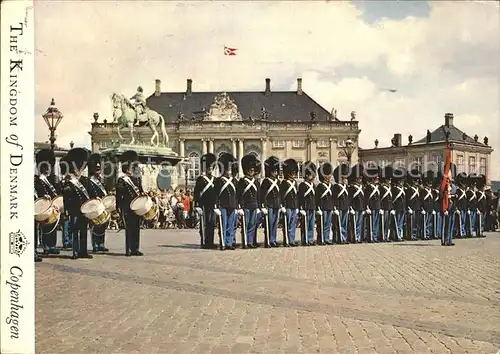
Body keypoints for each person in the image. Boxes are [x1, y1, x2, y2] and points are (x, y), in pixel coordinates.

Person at [62, 148, 93, 259]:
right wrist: (66, 210)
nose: (79, 170)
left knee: (84, 230)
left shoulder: (85, 180)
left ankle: (83, 251)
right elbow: (66, 197)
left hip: (85, 209)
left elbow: (91, 193)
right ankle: (75, 251)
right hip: (74, 209)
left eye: (81, 168)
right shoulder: (68, 181)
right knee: (75, 230)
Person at [116, 150, 144, 256]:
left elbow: (140, 190)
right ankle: (128, 249)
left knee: (136, 228)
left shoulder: (137, 179)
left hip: (136, 206)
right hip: (127, 206)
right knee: (129, 228)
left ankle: (135, 248)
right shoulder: (122, 180)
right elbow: (119, 195)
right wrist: (119, 207)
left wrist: (143, 194)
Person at [34, 149, 60, 256]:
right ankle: (46, 246)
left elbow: (56, 191)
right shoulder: (37, 179)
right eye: (45, 166)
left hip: (53, 205)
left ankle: (52, 246)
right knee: (45, 227)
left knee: (53, 226)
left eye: (48, 166)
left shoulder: (52, 179)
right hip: (44, 206)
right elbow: (38, 191)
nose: (47, 169)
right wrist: (43, 196)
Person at [86, 153, 109, 252]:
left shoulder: (102, 181)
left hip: (102, 205)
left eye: (99, 169)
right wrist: (95, 198)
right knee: (95, 225)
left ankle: (101, 244)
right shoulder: (89, 181)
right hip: (94, 205)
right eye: (97, 169)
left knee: (103, 224)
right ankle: (95, 245)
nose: (98, 170)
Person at [214, 152, 238, 250]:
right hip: (222, 205)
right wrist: (216, 206)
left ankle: (229, 242)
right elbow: (216, 194)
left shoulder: (234, 181)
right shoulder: (219, 180)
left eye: (230, 169)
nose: (229, 171)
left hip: (232, 205)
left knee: (231, 225)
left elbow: (236, 194)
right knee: (223, 224)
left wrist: (238, 205)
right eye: (227, 169)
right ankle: (223, 242)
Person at [237, 154, 261, 248]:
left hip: (254, 205)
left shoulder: (256, 182)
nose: (252, 171)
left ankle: (250, 242)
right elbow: (239, 195)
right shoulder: (242, 181)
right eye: (250, 170)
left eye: (253, 170)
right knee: (246, 225)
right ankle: (245, 242)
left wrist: (259, 206)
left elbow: (258, 195)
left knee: (252, 225)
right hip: (246, 205)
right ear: (246, 170)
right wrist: (240, 206)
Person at [194, 153, 217, 248]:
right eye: (208, 168)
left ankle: (210, 242)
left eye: (211, 168)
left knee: (212, 224)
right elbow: (196, 193)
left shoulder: (215, 180)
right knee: (204, 224)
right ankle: (204, 242)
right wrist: (197, 205)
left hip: (212, 204)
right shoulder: (201, 179)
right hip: (204, 204)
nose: (210, 170)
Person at [259, 156, 281, 247]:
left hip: (276, 204)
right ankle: (268, 240)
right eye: (273, 171)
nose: (275, 173)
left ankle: (273, 240)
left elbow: (280, 194)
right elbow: (262, 194)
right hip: (269, 205)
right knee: (269, 223)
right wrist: (263, 205)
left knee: (275, 224)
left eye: (276, 171)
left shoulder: (278, 181)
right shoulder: (265, 181)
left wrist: (281, 204)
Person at [280, 159, 299, 246]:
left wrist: (298, 206)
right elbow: (282, 195)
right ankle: (286, 240)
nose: (294, 174)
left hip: (294, 206)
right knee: (287, 224)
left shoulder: (295, 183)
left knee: (293, 224)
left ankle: (292, 240)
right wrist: (282, 205)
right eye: (292, 173)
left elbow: (296, 195)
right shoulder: (284, 183)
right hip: (287, 206)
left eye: (295, 173)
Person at [298, 161, 317, 246]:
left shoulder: (313, 185)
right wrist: (301, 208)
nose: (312, 176)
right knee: (305, 225)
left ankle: (310, 239)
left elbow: (315, 197)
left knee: (311, 225)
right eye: (311, 175)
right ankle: (304, 239)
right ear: (306, 175)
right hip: (305, 207)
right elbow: (300, 197)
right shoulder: (302, 185)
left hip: (312, 207)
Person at [316, 162, 334, 245]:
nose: (329, 177)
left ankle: (326, 238)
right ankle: (321, 238)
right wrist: (318, 207)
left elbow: (333, 197)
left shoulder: (331, 186)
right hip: (322, 207)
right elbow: (318, 198)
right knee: (321, 224)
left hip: (329, 206)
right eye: (327, 175)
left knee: (328, 224)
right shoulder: (320, 186)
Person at [333, 164, 350, 244]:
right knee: (338, 224)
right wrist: (335, 207)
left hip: (345, 207)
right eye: (343, 178)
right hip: (339, 207)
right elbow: (335, 197)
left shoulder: (346, 187)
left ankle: (344, 237)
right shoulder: (336, 186)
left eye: (346, 178)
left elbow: (348, 198)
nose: (345, 179)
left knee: (344, 224)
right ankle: (338, 238)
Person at [363, 166, 381, 242]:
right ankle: (370, 237)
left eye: (377, 178)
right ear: (373, 179)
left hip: (377, 206)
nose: (377, 180)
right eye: (376, 179)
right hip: (371, 207)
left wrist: (380, 207)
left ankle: (375, 237)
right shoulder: (368, 187)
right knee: (371, 223)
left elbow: (379, 198)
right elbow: (366, 198)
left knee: (376, 223)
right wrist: (367, 207)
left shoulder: (378, 187)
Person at [348, 164, 365, 243]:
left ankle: (358, 237)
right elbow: (350, 198)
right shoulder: (352, 187)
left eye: (361, 178)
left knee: (359, 224)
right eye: (359, 178)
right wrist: (351, 207)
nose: (360, 180)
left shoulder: (362, 187)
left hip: (361, 207)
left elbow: (363, 198)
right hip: (355, 207)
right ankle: (354, 238)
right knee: (354, 224)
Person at [391, 167, 406, 241]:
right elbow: (393, 199)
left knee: (400, 223)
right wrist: (392, 208)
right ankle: (396, 236)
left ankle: (400, 235)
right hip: (397, 207)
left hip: (402, 207)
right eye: (401, 181)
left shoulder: (403, 189)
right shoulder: (394, 189)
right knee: (396, 223)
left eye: (402, 181)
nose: (402, 182)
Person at [379, 166, 393, 242]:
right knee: (383, 223)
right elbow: (380, 198)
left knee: (388, 223)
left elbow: (391, 198)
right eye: (388, 179)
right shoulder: (382, 187)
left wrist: (392, 207)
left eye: (390, 179)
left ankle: (387, 236)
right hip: (384, 207)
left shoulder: (390, 187)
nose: (390, 180)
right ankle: (383, 237)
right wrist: (381, 207)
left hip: (389, 207)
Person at [421, 171, 435, 240]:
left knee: (429, 223)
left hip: (430, 208)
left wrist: (433, 208)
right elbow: (422, 200)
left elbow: (432, 200)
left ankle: (428, 234)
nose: (430, 184)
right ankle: (424, 234)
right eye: (429, 183)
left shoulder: (431, 190)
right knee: (425, 223)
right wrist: (422, 208)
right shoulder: (423, 191)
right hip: (425, 208)